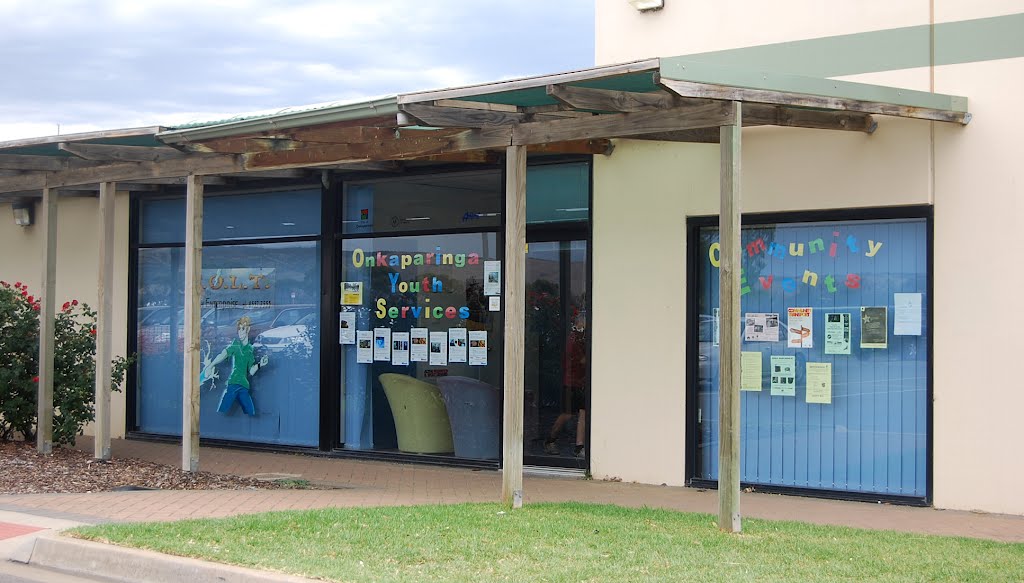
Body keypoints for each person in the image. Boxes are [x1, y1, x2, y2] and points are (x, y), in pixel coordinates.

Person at [203, 316, 269, 416]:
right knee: (222, 410)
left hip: (244, 386)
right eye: (239, 329)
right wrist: (211, 365)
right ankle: (217, 425)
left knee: (251, 412)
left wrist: (260, 364)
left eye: (243, 329)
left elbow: (250, 371)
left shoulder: (250, 349)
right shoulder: (235, 345)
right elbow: (223, 354)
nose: (240, 332)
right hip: (233, 384)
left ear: (248, 329)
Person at [544, 310, 588, 457]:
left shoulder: (579, 339)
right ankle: (550, 440)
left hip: (580, 381)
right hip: (571, 382)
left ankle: (579, 446)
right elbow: (580, 361)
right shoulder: (573, 340)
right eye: (584, 324)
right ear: (579, 324)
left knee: (583, 413)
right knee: (567, 414)